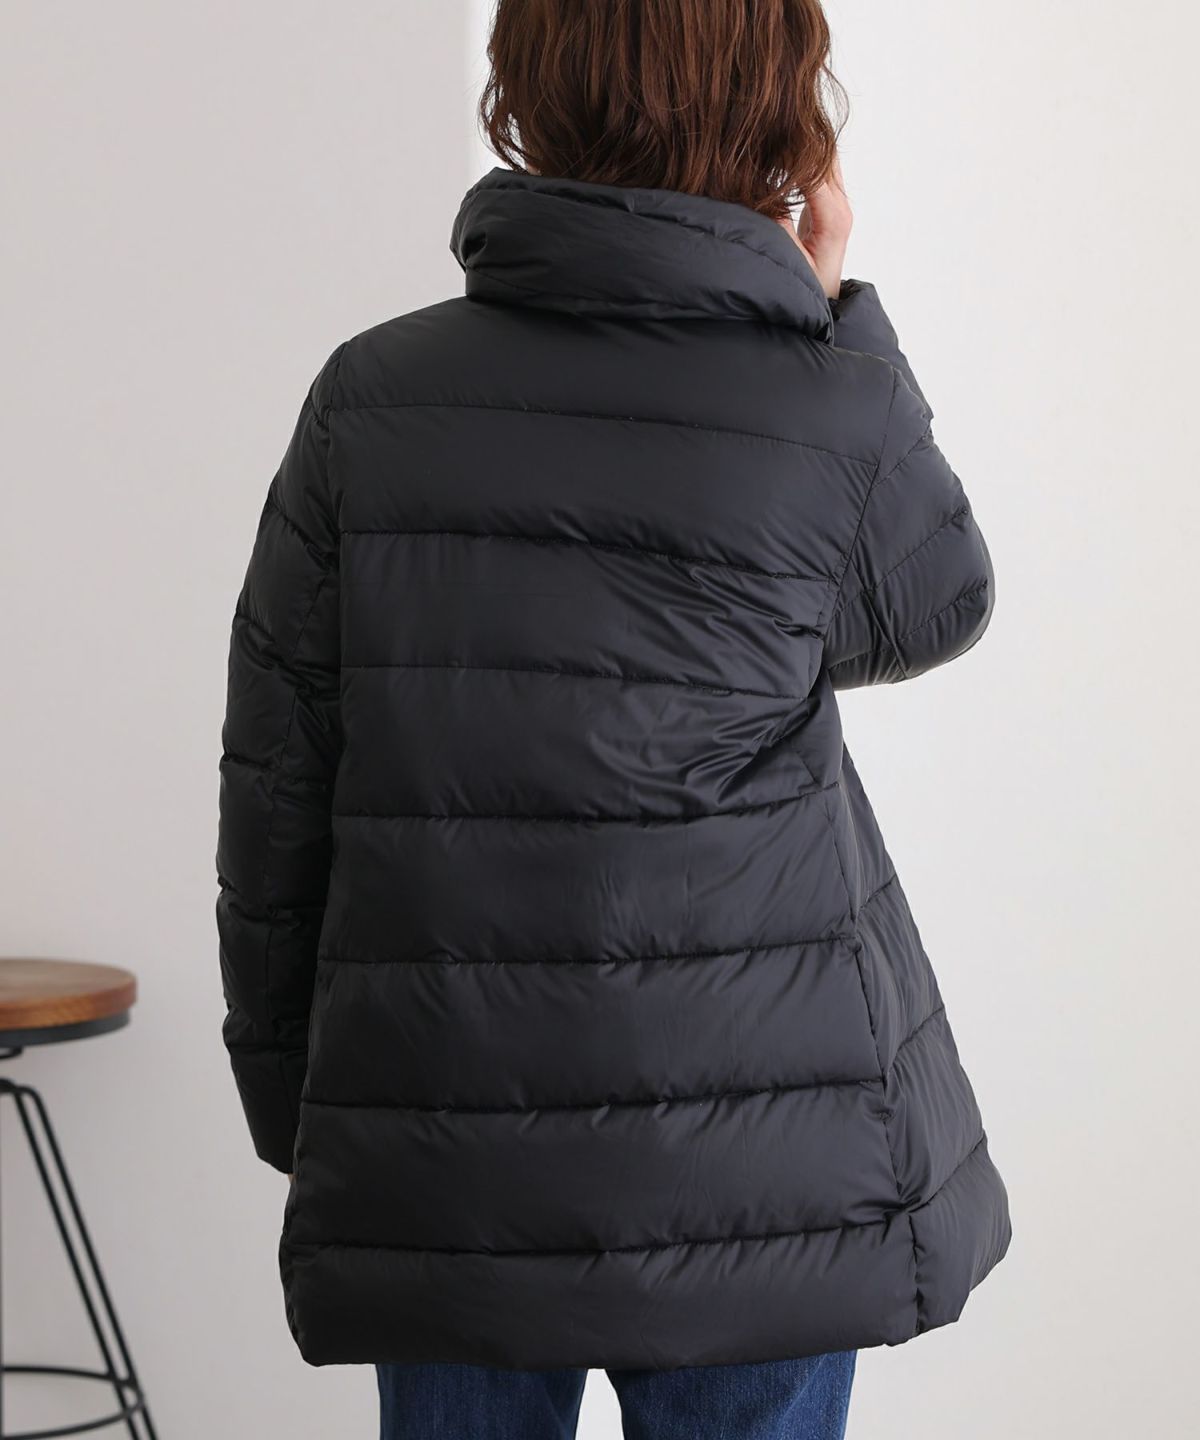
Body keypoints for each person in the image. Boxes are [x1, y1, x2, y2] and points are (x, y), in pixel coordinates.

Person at [215, 1, 1011, 1435]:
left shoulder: (371, 399)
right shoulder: (819, 404)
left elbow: (281, 783)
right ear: (773, 107)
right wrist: (830, 312)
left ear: (529, 87)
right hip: (765, 1172)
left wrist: (305, 1107)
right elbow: (933, 602)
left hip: (445, 1147)